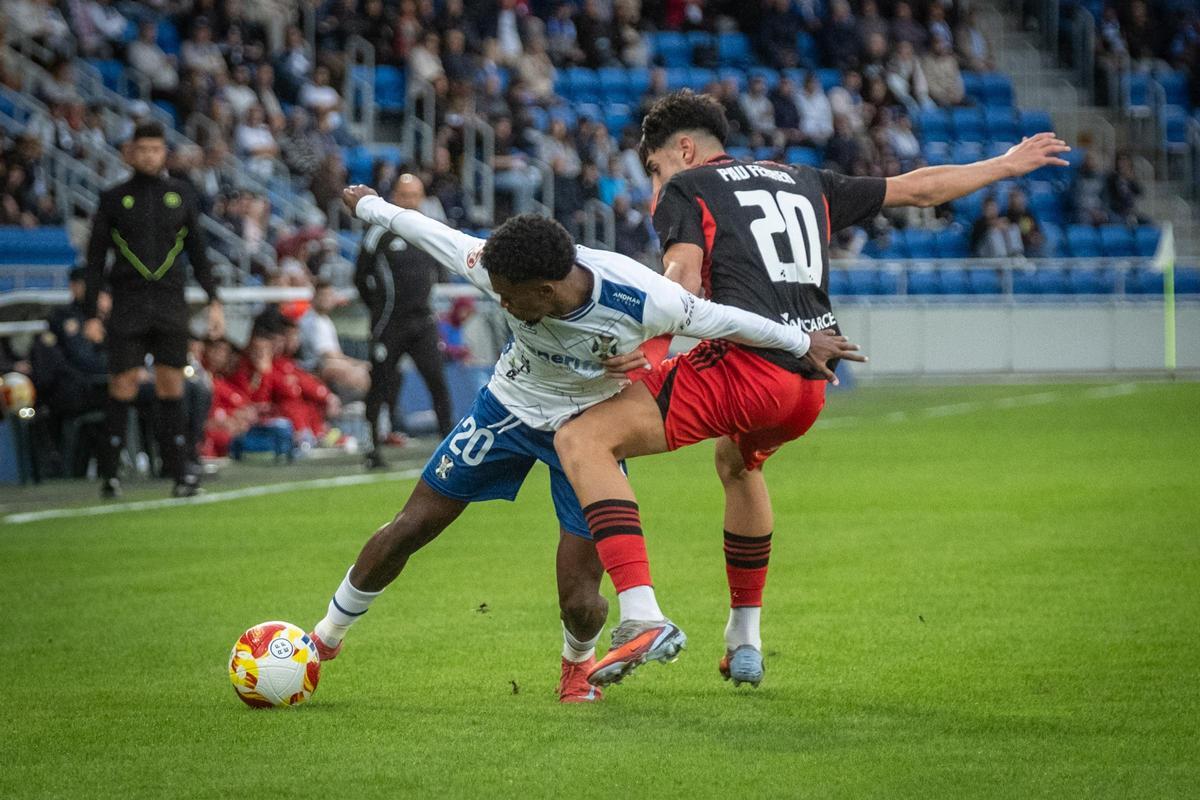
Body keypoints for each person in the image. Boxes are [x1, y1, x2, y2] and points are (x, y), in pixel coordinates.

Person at [551, 90, 1070, 689]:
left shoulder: (687, 189)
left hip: (747, 370)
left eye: (655, 169)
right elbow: (919, 188)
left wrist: (645, 354)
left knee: (584, 438)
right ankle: (745, 636)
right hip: (811, 381)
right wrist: (1005, 163)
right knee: (738, 464)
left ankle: (642, 615)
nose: (653, 187)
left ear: (685, 150)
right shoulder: (802, 178)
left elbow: (682, 280)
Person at [308, 185, 828, 704]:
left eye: (510, 295)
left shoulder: (641, 297)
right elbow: (426, 230)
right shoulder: (492, 263)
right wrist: (370, 204)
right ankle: (323, 640)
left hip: (590, 432)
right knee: (411, 526)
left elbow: (730, 322)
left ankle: (576, 670)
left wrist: (805, 343)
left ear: (549, 289)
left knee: (579, 600)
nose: (503, 302)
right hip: (508, 407)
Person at [84, 120, 224, 499]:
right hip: (127, 305)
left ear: (165, 153)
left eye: (156, 149)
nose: (149, 156)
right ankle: (110, 475)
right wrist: (91, 315)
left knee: (171, 384)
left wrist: (214, 300)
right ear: (130, 153)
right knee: (123, 384)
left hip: (169, 304)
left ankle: (179, 471)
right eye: (142, 149)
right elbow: (95, 259)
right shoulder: (113, 199)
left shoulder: (181, 195)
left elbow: (198, 252)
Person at [354, 174, 454, 469]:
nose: (410, 201)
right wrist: (379, 309)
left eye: (415, 195)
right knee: (381, 383)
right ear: (394, 196)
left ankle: (450, 447)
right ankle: (372, 447)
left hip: (422, 322)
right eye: (404, 195)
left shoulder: (429, 231)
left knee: (437, 381)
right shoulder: (379, 232)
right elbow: (360, 277)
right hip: (390, 323)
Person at [297, 280, 371, 398]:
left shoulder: (325, 320)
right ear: (314, 298)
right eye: (323, 296)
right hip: (314, 367)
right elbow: (329, 356)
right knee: (357, 373)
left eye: (329, 296)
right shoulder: (312, 321)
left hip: (327, 362)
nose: (326, 300)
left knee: (366, 370)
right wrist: (359, 364)